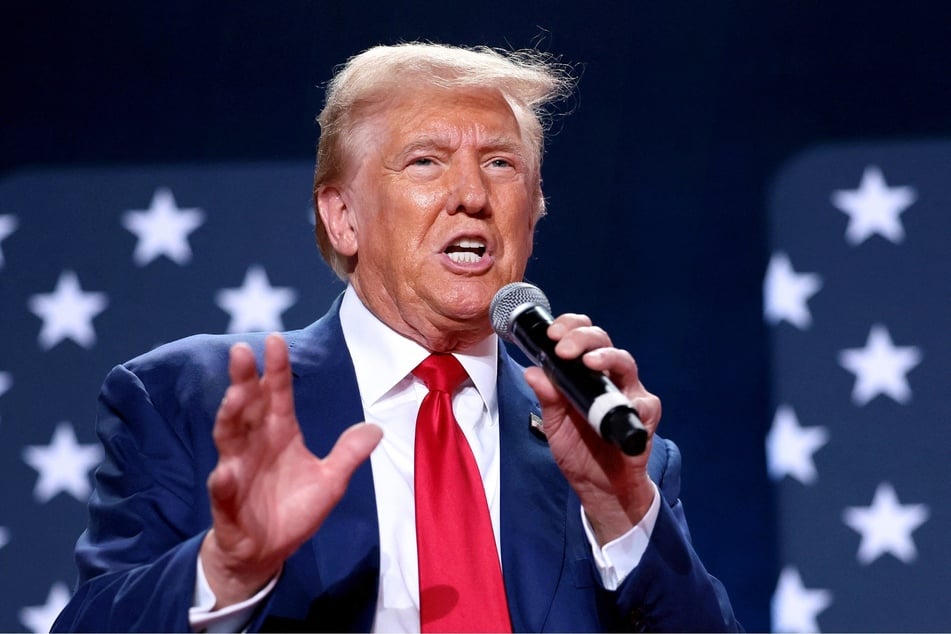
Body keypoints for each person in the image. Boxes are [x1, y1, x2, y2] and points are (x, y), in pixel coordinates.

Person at [53, 42, 739, 632]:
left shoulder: (608, 446)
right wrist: (228, 568)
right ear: (342, 217)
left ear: (532, 217)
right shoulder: (196, 398)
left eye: (501, 164)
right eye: (425, 162)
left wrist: (621, 510)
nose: (471, 194)